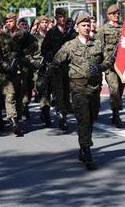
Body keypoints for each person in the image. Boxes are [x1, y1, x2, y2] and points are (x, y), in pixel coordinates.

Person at [47, 14, 114, 170]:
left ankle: (84, 146)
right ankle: (86, 150)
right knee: (83, 120)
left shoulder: (97, 44)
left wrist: (99, 67)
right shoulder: (70, 46)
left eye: (88, 25)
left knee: (92, 118)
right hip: (78, 89)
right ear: (77, 28)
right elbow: (56, 62)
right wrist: (47, 81)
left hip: (95, 89)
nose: (87, 27)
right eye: (83, 25)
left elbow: (109, 60)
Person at [41, 8, 76, 131]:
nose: (62, 19)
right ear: (56, 18)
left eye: (64, 16)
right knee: (59, 92)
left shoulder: (71, 32)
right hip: (56, 68)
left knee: (67, 93)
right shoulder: (51, 33)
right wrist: (51, 57)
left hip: (69, 67)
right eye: (59, 16)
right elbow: (44, 49)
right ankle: (62, 117)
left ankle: (65, 111)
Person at [97, 4, 124, 128]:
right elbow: (99, 47)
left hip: (122, 64)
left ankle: (115, 110)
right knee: (114, 88)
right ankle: (116, 114)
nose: (116, 16)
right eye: (114, 14)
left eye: (118, 13)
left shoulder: (124, 28)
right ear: (109, 16)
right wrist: (102, 62)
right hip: (110, 65)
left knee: (120, 89)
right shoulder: (103, 29)